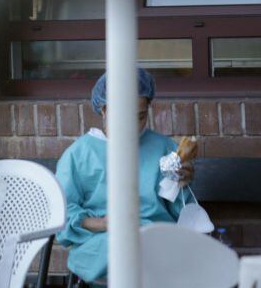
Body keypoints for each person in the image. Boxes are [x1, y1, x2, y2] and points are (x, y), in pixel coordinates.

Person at [54, 68, 193, 285]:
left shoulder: (164, 148)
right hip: (103, 241)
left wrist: (181, 185)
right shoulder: (79, 155)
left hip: (158, 238)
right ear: (104, 110)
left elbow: (184, 214)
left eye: (140, 116)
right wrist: (102, 223)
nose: (133, 125)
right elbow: (61, 213)